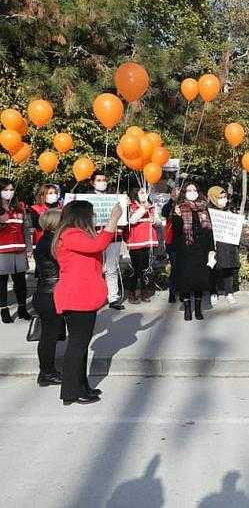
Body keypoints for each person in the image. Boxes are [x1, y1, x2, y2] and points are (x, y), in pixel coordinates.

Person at [53, 200, 124, 405]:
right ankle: (71, 392)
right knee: (77, 345)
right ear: (82, 216)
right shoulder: (71, 234)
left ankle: (81, 385)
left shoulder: (75, 234)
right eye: (91, 214)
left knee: (81, 345)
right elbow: (98, 245)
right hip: (77, 297)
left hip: (82, 296)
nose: (93, 218)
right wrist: (113, 219)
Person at [171, 182, 214, 321]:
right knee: (186, 280)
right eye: (189, 190)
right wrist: (177, 216)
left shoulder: (203, 208)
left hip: (201, 249)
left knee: (199, 279)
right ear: (184, 192)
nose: (192, 192)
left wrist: (211, 249)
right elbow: (176, 232)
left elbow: (209, 231)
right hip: (185, 248)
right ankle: (188, 309)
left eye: (194, 190)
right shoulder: (179, 208)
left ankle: (198, 308)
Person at [32, 208, 63, 387]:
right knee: (49, 337)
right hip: (50, 294)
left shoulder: (46, 240)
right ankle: (47, 373)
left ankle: (48, 371)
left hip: (46, 292)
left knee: (49, 336)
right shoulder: (51, 242)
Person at [86, 171, 126, 310]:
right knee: (95, 268)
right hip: (95, 236)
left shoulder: (114, 197)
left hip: (114, 237)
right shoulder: (87, 198)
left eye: (104, 179)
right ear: (92, 182)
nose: (102, 182)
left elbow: (122, 216)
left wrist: (125, 205)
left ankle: (113, 297)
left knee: (112, 268)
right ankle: (94, 297)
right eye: (99, 180)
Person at [0, 179, 31, 323]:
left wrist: (29, 248)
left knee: (21, 282)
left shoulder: (20, 208)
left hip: (19, 250)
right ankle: (4, 310)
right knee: (2, 282)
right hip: (2, 252)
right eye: (6, 190)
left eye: (11, 189)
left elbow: (25, 229)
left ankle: (22, 308)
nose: (9, 192)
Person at [207, 186, 240, 306]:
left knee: (228, 268)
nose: (223, 200)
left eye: (224, 197)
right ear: (213, 198)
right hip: (214, 245)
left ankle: (229, 292)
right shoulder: (207, 212)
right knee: (213, 270)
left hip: (228, 245)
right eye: (220, 197)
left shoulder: (230, 211)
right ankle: (213, 293)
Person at [126, 187, 159, 304]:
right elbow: (132, 220)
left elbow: (158, 221)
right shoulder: (131, 206)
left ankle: (145, 292)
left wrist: (154, 219)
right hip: (136, 241)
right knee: (135, 269)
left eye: (145, 192)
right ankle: (132, 292)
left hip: (148, 241)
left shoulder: (152, 205)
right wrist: (143, 209)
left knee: (146, 268)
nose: (144, 195)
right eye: (141, 192)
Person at [161, 186, 180, 303]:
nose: (175, 194)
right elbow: (164, 212)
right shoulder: (169, 205)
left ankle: (183, 291)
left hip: (184, 241)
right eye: (173, 193)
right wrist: (172, 201)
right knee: (175, 267)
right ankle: (172, 293)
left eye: (177, 192)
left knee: (184, 267)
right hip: (172, 241)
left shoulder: (185, 204)